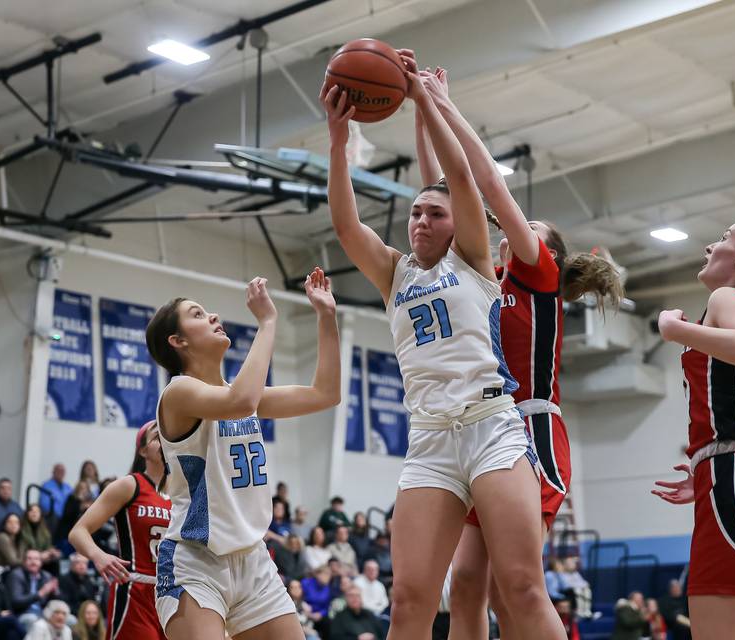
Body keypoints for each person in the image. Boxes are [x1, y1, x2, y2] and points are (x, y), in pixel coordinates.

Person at [323, 52, 566, 639]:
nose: (420, 221)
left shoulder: (477, 260)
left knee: (523, 588)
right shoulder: (394, 273)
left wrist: (425, 98)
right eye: (413, 213)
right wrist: (338, 141)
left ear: (459, 223)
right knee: (409, 600)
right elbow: (348, 224)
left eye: (434, 213)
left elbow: (460, 178)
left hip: (491, 424)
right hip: (429, 437)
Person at [412, 65, 621, 640]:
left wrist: (445, 104)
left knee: (519, 589)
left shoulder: (536, 275)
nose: (511, 228)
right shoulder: (477, 277)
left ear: (545, 251)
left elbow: (489, 188)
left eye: (529, 226)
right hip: (476, 430)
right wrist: (420, 108)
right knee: (466, 588)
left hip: (530, 430)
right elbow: (443, 189)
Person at [146, 268, 340, 640]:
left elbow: (325, 393)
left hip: (252, 559)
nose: (213, 316)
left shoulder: (239, 395)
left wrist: (326, 316)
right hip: (195, 561)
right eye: (198, 315)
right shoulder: (179, 393)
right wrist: (267, 322)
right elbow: (241, 401)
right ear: (177, 341)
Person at [654, 218, 735, 640]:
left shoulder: (730, 296)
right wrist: (710, 463)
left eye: (725, 238)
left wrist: (674, 329)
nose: (710, 245)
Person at [69, 421, 169, 640]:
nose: (165, 438)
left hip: (172, 593)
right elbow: (78, 531)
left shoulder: (183, 493)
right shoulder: (130, 485)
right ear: (143, 451)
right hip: (136, 589)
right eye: (156, 436)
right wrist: (99, 555)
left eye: (168, 433)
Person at [7, 550, 59, 630]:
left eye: (36, 559)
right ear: (24, 562)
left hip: (43, 613)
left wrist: (54, 592)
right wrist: (40, 594)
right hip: (23, 613)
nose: (33, 562)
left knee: (69, 620)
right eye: (29, 559)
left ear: (41, 562)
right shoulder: (16, 575)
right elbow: (16, 602)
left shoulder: (46, 576)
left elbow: (55, 601)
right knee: (33, 620)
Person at [20, 505, 61, 574]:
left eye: (37, 511)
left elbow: (48, 546)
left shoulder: (44, 531)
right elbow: (22, 551)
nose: (34, 513)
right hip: (27, 559)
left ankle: (54, 584)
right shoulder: (21, 530)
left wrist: (51, 551)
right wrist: (39, 555)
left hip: (43, 560)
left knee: (55, 562)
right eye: (31, 511)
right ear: (27, 514)